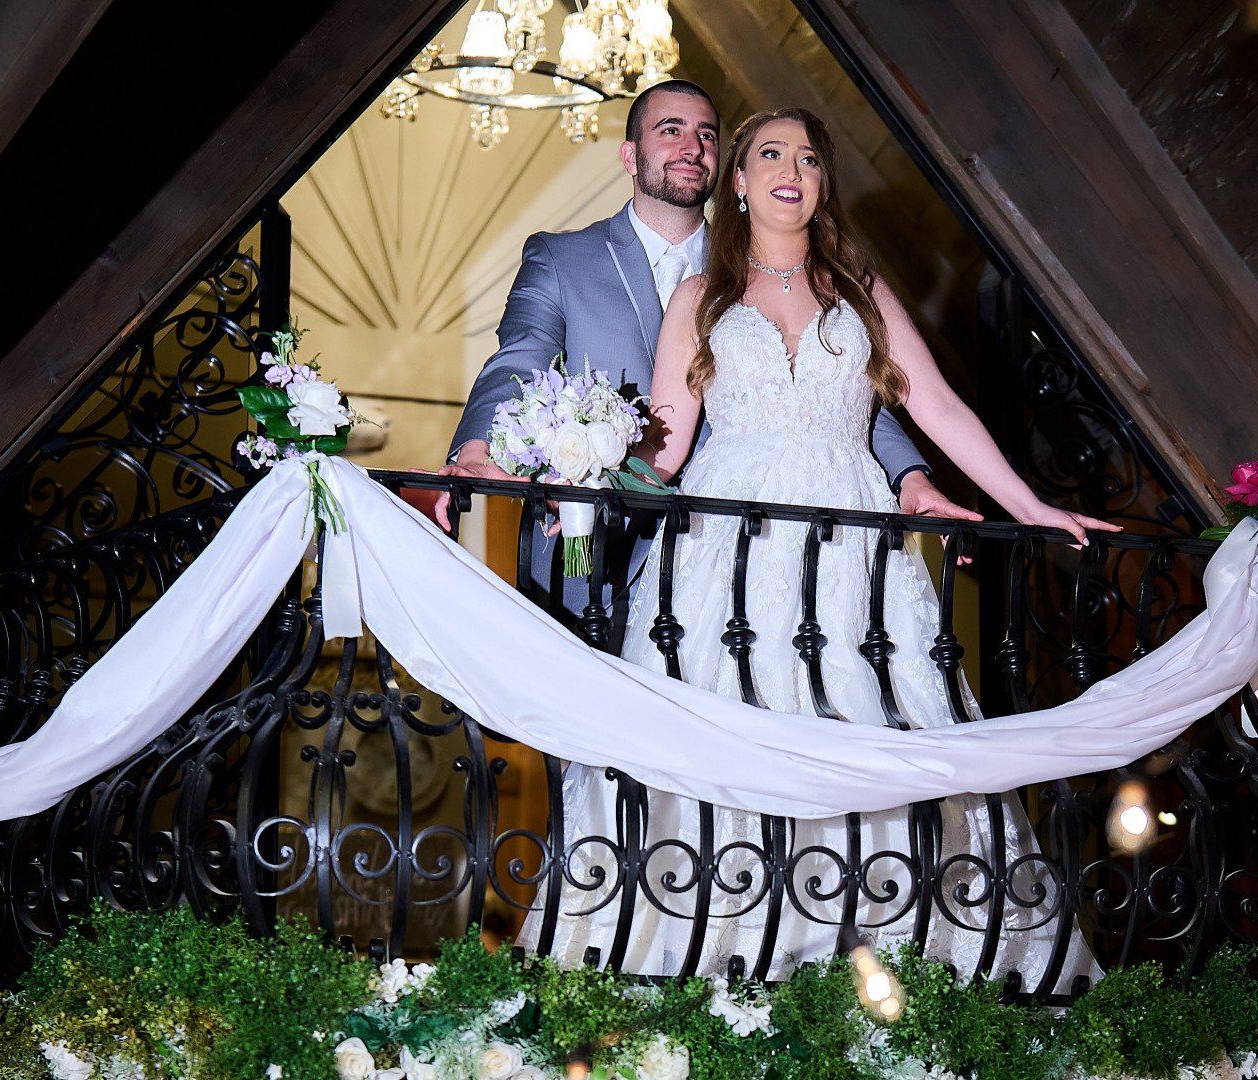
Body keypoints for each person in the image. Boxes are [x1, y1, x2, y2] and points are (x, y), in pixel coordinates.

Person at [520, 107, 1117, 989]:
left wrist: (1026, 502)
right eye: (768, 154)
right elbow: (667, 445)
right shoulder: (701, 297)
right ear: (741, 179)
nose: (789, 169)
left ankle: (888, 969)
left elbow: (938, 408)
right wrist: (583, 456)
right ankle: (695, 963)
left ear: (822, 183)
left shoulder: (861, 290)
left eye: (807, 157)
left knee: (876, 717)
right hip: (723, 553)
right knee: (718, 738)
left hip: (850, 550)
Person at [422, 80, 967, 629]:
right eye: (671, 131)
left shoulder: (766, 266)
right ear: (629, 156)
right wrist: (474, 448)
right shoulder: (562, 258)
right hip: (592, 553)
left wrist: (909, 475)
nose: (692, 146)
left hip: (743, 553)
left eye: (707, 134)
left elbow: (839, 389)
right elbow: (518, 359)